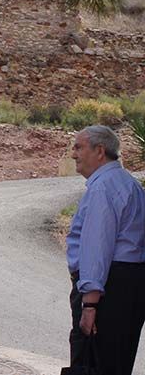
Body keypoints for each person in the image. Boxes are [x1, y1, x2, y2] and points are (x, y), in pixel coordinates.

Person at [66, 125, 145, 375]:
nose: (73, 154)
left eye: (79, 147)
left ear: (99, 151)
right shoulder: (127, 183)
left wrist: (89, 304)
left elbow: (97, 247)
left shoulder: (103, 188)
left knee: (92, 362)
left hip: (109, 289)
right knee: (116, 361)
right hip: (129, 287)